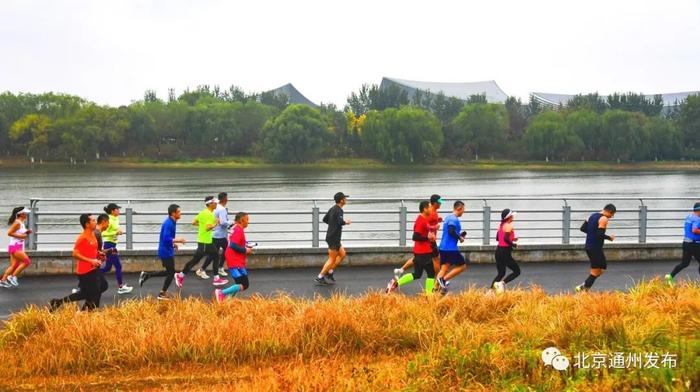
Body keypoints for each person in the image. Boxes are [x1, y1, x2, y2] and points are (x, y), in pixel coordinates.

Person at [49, 214, 107, 311]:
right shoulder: (82, 237)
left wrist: (99, 254)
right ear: (87, 224)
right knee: (93, 291)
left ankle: (59, 302)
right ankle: (88, 312)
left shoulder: (93, 235)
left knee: (100, 287)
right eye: (93, 220)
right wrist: (91, 260)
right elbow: (75, 254)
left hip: (93, 268)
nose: (95, 222)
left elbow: (92, 250)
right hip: (85, 271)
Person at [138, 204, 188, 299]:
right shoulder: (169, 223)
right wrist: (179, 240)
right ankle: (162, 293)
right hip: (165, 252)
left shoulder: (172, 222)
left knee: (170, 272)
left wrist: (173, 244)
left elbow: (166, 238)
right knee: (171, 273)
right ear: (173, 213)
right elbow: (165, 239)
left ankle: (147, 275)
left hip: (166, 250)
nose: (181, 213)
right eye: (179, 212)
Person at [386, 201, 436, 294]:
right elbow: (415, 236)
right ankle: (429, 295)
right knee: (431, 273)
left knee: (417, 274)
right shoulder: (421, 220)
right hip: (423, 252)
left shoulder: (424, 219)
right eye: (429, 207)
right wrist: (428, 238)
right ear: (425, 209)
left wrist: (434, 228)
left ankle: (394, 284)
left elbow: (425, 229)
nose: (431, 208)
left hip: (421, 251)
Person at [393, 194, 443, 280]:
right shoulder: (428, 214)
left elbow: (426, 224)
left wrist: (436, 222)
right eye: (439, 202)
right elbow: (421, 228)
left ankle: (401, 271)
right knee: (434, 262)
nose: (441, 204)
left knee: (420, 267)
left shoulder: (432, 213)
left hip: (426, 244)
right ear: (434, 203)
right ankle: (439, 281)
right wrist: (431, 233)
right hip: (427, 243)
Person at [175, 196, 220, 288]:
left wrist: (203, 225)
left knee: (210, 256)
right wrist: (216, 223)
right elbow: (208, 228)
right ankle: (216, 278)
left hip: (204, 240)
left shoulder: (203, 212)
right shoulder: (210, 215)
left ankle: (181, 275)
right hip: (205, 242)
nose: (216, 204)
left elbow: (194, 222)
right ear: (210, 204)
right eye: (215, 203)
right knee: (206, 258)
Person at [576, 204, 616, 292]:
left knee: (602, 267)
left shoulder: (592, 215)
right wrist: (610, 237)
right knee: (596, 272)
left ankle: (584, 286)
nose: (611, 217)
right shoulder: (604, 219)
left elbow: (582, 228)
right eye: (612, 214)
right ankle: (583, 288)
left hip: (589, 247)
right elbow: (599, 234)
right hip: (595, 248)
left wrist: (592, 232)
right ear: (609, 211)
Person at [215, 212, 253, 302]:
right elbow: (233, 245)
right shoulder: (238, 230)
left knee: (239, 283)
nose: (248, 222)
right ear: (242, 220)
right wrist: (245, 250)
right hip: (235, 260)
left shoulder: (235, 228)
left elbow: (235, 243)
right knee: (244, 284)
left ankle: (228, 301)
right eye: (247, 220)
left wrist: (245, 246)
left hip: (235, 259)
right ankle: (221, 292)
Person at [315, 192, 351, 285]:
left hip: (333, 236)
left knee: (342, 254)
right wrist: (346, 222)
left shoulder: (333, 208)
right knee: (331, 259)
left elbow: (325, 219)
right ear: (341, 200)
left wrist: (333, 225)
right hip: (333, 237)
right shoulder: (339, 210)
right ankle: (320, 277)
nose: (346, 200)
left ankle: (330, 272)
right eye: (344, 198)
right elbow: (339, 222)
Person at [436, 201, 468, 293]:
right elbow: (451, 231)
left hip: (443, 247)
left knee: (444, 268)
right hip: (450, 249)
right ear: (459, 208)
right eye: (463, 210)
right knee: (462, 266)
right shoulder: (454, 219)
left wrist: (459, 236)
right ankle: (443, 280)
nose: (463, 212)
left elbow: (450, 232)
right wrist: (460, 238)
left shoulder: (448, 217)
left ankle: (435, 289)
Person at [100, 203, 133, 294]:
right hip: (108, 245)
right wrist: (115, 233)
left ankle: (87, 281)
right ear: (112, 211)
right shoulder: (109, 220)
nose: (119, 210)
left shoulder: (116, 219)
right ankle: (121, 287)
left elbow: (115, 229)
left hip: (113, 245)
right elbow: (102, 233)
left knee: (107, 268)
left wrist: (118, 231)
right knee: (118, 266)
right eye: (117, 209)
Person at [665, 202, 700, 286]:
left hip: (686, 243)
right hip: (694, 245)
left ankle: (670, 276)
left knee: (684, 263)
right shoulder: (698, 219)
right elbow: (694, 230)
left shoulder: (689, 217)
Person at [1, 207, 33, 288]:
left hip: (15, 246)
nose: (26, 214)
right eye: (25, 213)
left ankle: (3, 281)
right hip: (16, 247)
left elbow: (17, 232)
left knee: (14, 265)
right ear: (20, 214)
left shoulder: (21, 223)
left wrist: (26, 232)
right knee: (27, 262)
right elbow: (9, 233)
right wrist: (22, 236)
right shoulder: (17, 223)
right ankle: (12, 277)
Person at [202, 192, 230, 281]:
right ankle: (215, 269)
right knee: (218, 253)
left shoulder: (215, 207)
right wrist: (232, 222)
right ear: (225, 199)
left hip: (216, 234)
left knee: (215, 254)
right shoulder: (221, 209)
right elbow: (223, 223)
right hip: (220, 235)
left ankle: (216, 268)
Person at [491, 208, 520, 293]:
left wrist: (512, 238)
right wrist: (513, 244)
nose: (513, 217)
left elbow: (498, 238)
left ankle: (490, 292)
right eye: (512, 215)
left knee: (501, 274)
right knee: (517, 271)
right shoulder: (509, 226)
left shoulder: (501, 226)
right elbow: (506, 238)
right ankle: (502, 284)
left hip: (498, 251)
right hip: (505, 252)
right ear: (509, 217)